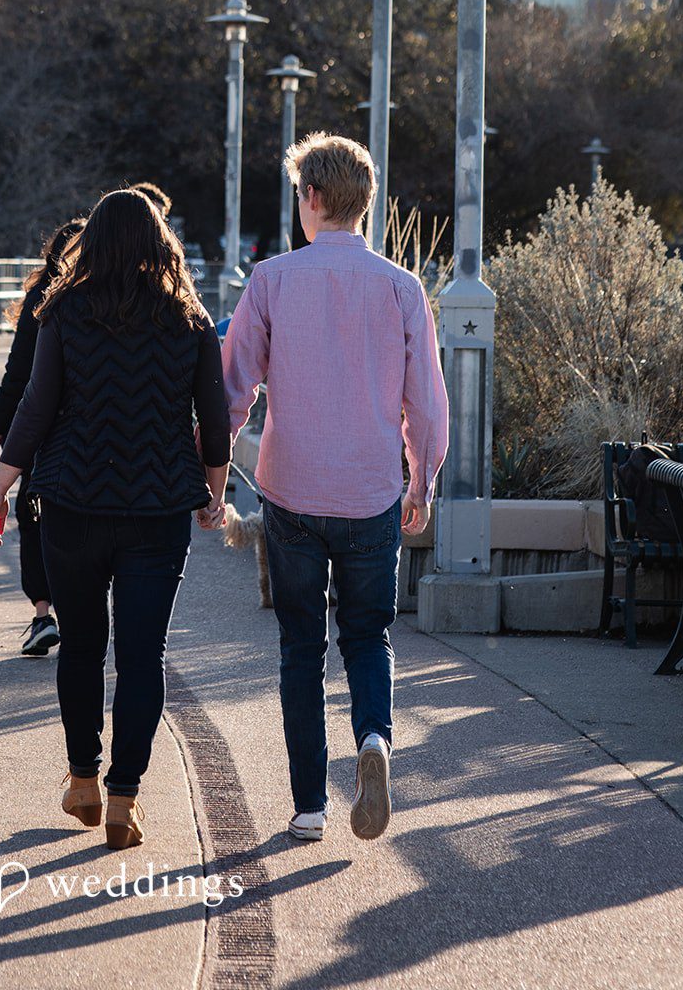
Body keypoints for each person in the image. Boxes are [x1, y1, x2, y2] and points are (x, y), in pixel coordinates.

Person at [0, 189, 231, 850]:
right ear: (159, 242)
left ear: (92, 243)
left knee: (84, 647)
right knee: (143, 654)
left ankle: (83, 779)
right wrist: (215, 492)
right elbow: (215, 416)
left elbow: (36, 406)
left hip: (73, 502)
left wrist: (1, 486)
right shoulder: (189, 317)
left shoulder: (63, 309)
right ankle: (125, 797)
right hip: (157, 508)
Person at [222, 132, 449, 844]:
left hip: (290, 489)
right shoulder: (400, 286)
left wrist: (210, 471)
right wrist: (423, 477)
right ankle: (374, 741)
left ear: (312, 199)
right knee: (366, 635)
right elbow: (427, 401)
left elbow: (234, 389)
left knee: (299, 648)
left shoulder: (270, 280)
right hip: (371, 490)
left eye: (298, 195)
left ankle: (308, 808)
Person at [0, 218, 85, 657]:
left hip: (39, 433)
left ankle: (44, 615)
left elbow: (19, 372)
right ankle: (69, 614)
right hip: (76, 436)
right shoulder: (103, 295)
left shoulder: (41, 302)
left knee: (33, 516)